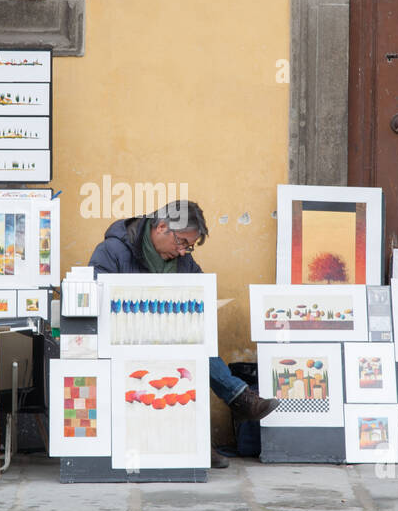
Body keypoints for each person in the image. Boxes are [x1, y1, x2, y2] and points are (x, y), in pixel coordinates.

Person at [88, 199, 277, 469]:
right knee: (184, 347)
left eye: (189, 246)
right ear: (162, 227)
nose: (183, 252)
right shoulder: (113, 250)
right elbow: (94, 295)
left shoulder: (183, 261)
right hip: (121, 340)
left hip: (168, 338)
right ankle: (236, 400)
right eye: (182, 243)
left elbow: (199, 291)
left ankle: (196, 441)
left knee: (196, 341)